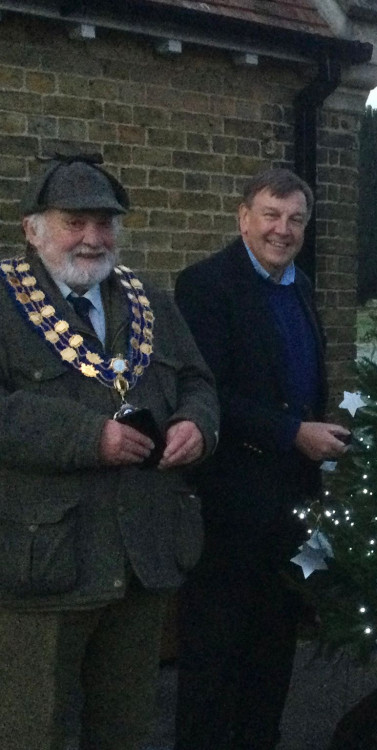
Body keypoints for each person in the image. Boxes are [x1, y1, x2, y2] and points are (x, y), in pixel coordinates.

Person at [0, 153, 219, 750]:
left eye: (106, 224)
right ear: (33, 228)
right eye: (75, 222)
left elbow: (198, 380)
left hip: (143, 556)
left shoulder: (149, 300)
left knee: (124, 729)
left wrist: (197, 425)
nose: (93, 239)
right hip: (47, 560)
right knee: (31, 731)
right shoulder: (5, 301)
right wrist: (88, 437)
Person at [173, 167, 351, 750]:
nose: (284, 229)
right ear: (243, 217)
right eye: (271, 215)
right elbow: (208, 390)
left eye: (296, 219)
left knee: (274, 646)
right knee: (216, 651)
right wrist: (293, 432)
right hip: (231, 500)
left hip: (291, 501)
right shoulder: (206, 285)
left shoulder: (299, 283)